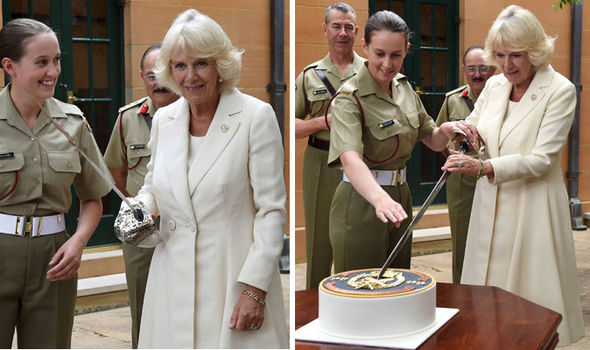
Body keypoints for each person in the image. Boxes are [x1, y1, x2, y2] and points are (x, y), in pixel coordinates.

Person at [122, 9, 288, 348]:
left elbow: (271, 211)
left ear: (220, 65)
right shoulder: (166, 119)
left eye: (201, 63)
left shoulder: (255, 117)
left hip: (232, 282)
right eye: (180, 66)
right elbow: (153, 186)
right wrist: (138, 210)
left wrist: (255, 289)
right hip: (170, 280)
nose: (190, 76)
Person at [442, 5, 584, 346]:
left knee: (529, 298)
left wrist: (486, 167)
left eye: (516, 56)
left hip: (532, 206)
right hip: (490, 203)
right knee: (485, 295)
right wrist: (463, 134)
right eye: (501, 55)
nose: (507, 65)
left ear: (535, 50)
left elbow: (542, 160)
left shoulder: (560, 91)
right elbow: (476, 125)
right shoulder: (494, 86)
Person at [327, 10, 470, 274]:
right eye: (379, 53)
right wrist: (380, 199)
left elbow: (431, 138)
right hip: (362, 202)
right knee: (362, 290)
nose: (387, 63)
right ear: (365, 47)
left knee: (397, 282)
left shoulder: (403, 87)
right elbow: (350, 160)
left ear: (406, 50)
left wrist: (447, 129)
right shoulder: (349, 97)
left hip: (400, 200)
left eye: (396, 55)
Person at [0, 18, 111, 348]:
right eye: (42, 62)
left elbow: (93, 198)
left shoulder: (73, 123)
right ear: (10, 66)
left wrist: (78, 242)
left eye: (57, 60)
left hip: (55, 260)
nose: (53, 71)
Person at [103, 43, 179, 349]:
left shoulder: (198, 113)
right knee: (142, 303)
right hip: (142, 232)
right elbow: (116, 171)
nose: (158, 82)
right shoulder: (128, 118)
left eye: (163, 74)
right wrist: (138, 210)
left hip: (183, 228)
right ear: (141, 77)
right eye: (151, 75)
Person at [295, 2, 365, 289]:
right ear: (325, 30)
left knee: (358, 236)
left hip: (360, 162)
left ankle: (355, 296)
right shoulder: (310, 75)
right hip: (321, 162)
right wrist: (322, 122)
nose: (342, 33)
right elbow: (290, 125)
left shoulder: (370, 71)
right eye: (336, 26)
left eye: (349, 27)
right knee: (319, 240)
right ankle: (314, 304)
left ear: (357, 32)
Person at [435, 45, 495, 283]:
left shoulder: (503, 99)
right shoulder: (452, 100)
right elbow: (438, 136)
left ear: (492, 70)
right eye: (471, 69)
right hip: (461, 185)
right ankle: (462, 291)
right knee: (462, 239)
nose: (477, 74)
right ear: (464, 70)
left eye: (483, 68)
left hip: (493, 177)